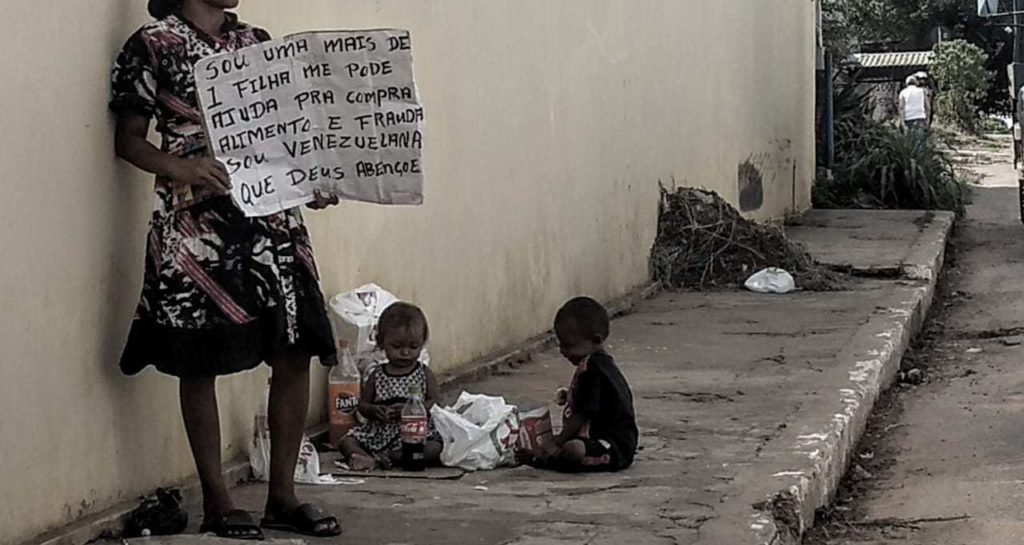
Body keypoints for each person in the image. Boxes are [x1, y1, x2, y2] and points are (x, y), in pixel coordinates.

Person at [110, 0, 341, 539]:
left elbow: (283, 131)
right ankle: (218, 500)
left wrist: (311, 182)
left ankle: (283, 496)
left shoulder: (256, 43)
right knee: (199, 359)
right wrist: (183, 166)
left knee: (294, 350)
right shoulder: (153, 44)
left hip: (274, 226)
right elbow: (130, 139)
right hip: (198, 232)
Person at [520, 297, 638, 472]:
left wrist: (558, 442)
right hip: (600, 438)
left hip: (613, 446)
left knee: (573, 450)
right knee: (572, 445)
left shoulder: (592, 369)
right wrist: (570, 395)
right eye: (560, 344)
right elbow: (597, 399)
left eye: (569, 345)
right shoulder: (598, 363)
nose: (563, 351)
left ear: (595, 340)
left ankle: (551, 460)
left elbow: (582, 414)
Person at [340, 303, 443, 471]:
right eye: (397, 346)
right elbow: (363, 405)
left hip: (413, 434)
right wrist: (374, 411)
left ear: (422, 344)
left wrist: (412, 411)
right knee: (346, 441)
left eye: (413, 347)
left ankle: (391, 458)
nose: (405, 352)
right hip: (380, 432)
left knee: (435, 447)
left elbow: (434, 402)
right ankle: (366, 458)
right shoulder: (377, 374)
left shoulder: (424, 373)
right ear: (381, 343)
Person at [899, 75, 931, 147]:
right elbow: (927, 106)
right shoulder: (922, 91)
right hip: (919, 117)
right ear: (916, 83)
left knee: (909, 141)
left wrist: (902, 120)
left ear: (906, 83)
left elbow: (901, 107)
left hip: (908, 118)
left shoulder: (903, 93)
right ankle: (920, 157)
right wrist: (927, 118)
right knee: (919, 140)